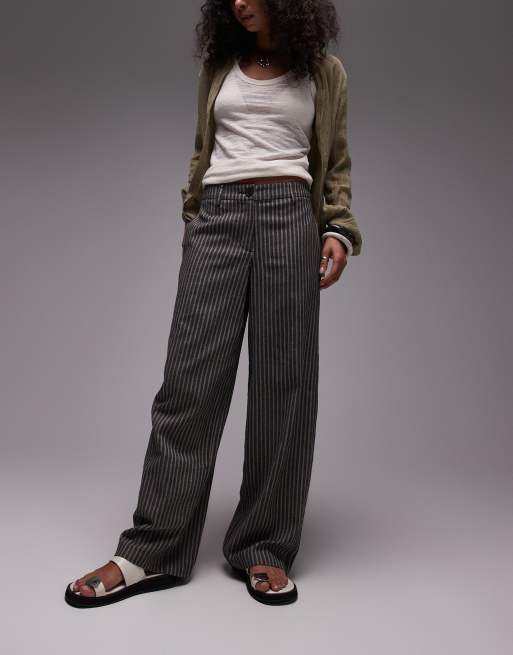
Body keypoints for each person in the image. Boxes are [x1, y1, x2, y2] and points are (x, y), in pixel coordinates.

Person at [65, 0, 363, 608]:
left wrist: (337, 228)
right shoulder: (219, 66)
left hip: (289, 220)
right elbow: (204, 150)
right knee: (189, 386)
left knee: (284, 386)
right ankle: (152, 549)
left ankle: (263, 545)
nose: (238, 3)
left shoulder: (324, 72)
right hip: (218, 220)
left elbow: (334, 163)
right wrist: (192, 216)